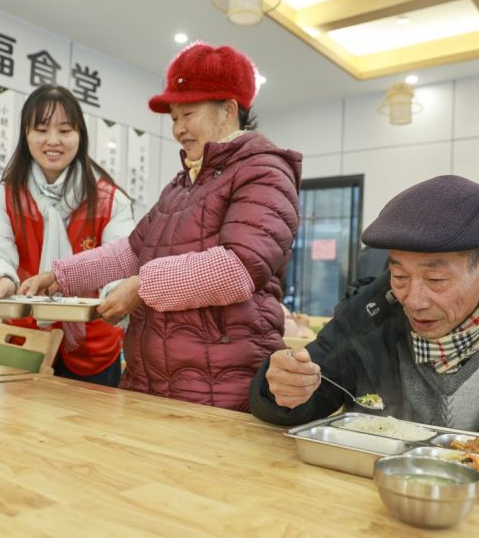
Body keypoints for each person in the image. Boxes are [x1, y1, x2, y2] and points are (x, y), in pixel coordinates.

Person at [250, 175, 479, 478]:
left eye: (436, 280)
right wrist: (281, 387)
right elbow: (303, 396)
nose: (414, 299)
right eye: (399, 275)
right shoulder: (364, 317)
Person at [19, 43, 302, 411]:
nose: (178, 129)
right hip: (153, 386)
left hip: (219, 392)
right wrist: (60, 276)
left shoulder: (264, 172)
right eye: (173, 118)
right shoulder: (183, 184)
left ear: (229, 109)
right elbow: (134, 250)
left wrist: (142, 286)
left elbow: (238, 268)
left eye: (188, 114)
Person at [0, 84, 134, 386]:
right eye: (41, 129)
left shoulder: (111, 200)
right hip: (23, 342)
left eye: (65, 130)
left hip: (93, 349)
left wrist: (117, 295)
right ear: (25, 135)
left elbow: (122, 260)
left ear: (80, 136)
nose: (53, 141)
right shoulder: (3, 196)